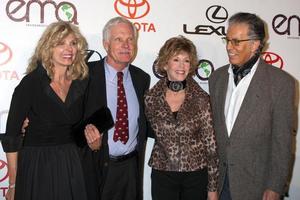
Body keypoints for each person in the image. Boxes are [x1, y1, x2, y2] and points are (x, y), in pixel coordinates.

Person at [2, 21, 95, 200]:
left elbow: (80, 126)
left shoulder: (81, 83)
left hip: (71, 163)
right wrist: (13, 184)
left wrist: (93, 140)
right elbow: (12, 136)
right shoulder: (31, 83)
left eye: (73, 43)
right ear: (48, 48)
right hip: (38, 164)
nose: (69, 49)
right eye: (61, 43)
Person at [209, 12, 295, 200]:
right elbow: (213, 137)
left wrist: (275, 187)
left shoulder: (281, 83)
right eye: (227, 40)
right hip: (220, 183)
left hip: (256, 187)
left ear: (255, 45)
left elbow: (282, 141)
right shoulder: (217, 78)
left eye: (236, 42)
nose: (229, 47)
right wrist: (211, 185)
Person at [82, 16, 151, 200]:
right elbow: (70, 120)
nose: (126, 45)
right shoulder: (85, 75)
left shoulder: (141, 79)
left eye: (130, 39)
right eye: (118, 39)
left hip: (129, 169)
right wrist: (88, 140)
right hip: (94, 166)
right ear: (106, 44)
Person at [144, 35, 219, 200]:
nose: (182, 66)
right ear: (165, 63)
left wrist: (213, 188)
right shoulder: (151, 98)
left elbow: (211, 146)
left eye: (186, 61)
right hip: (163, 175)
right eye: (176, 59)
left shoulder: (201, 98)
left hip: (195, 176)